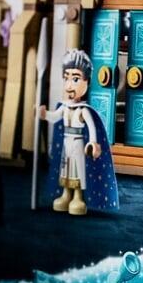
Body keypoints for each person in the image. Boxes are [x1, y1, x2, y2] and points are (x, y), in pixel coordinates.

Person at [37, 49, 118, 216]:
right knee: (65, 169)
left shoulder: (83, 110)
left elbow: (92, 129)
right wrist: (44, 114)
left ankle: (78, 197)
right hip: (67, 144)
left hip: (78, 145)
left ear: (87, 81)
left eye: (75, 79)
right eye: (66, 78)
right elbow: (55, 117)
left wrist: (93, 143)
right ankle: (66, 194)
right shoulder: (64, 107)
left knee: (78, 170)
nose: (69, 85)